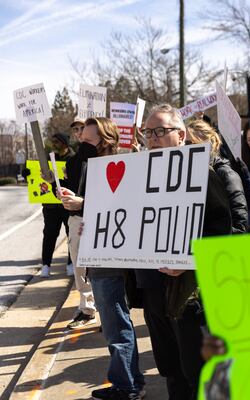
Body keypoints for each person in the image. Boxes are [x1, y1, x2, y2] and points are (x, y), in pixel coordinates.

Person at [137, 104, 232, 400]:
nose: (152, 137)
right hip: (154, 288)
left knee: (196, 371)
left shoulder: (201, 172)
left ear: (180, 135)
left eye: (160, 131)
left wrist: (190, 262)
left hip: (189, 291)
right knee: (169, 368)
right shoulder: (136, 175)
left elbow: (223, 228)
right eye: (148, 132)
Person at [60, 117, 145, 400]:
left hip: (113, 254)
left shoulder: (124, 164)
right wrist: (80, 205)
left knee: (114, 319)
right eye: (81, 139)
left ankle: (127, 386)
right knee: (112, 320)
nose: (82, 144)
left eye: (87, 140)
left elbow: (124, 205)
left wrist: (83, 203)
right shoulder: (92, 167)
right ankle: (130, 380)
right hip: (98, 249)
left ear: (106, 139)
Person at [60, 118, 97, 330]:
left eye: (82, 129)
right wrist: (63, 190)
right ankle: (87, 309)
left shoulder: (104, 157)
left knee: (106, 268)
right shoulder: (73, 162)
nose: (78, 133)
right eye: (75, 130)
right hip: (77, 219)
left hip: (102, 219)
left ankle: (108, 308)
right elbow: (75, 189)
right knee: (80, 266)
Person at [187, 119, 248, 234]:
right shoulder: (189, 173)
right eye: (186, 144)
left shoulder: (227, 175)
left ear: (209, 143)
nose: (188, 148)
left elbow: (240, 223)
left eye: (194, 144)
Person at [39, 132, 74, 278]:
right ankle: (46, 264)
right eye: (52, 141)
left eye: (57, 141)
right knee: (49, 234)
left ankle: (71, 264)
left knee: (71, 234)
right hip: (51, 206)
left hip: (67, 204)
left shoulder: (73, 159)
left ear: (65, 143)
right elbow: (37, 176)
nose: (54, 144)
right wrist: (28, 173)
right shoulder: (46, 159)